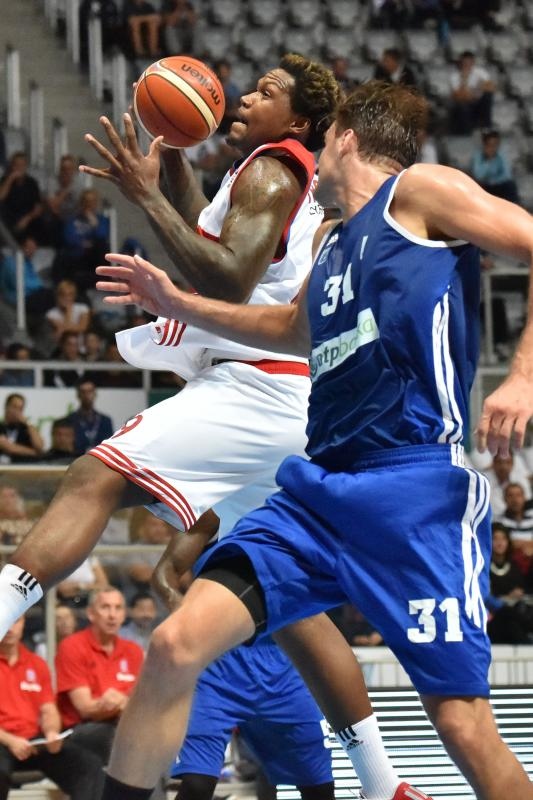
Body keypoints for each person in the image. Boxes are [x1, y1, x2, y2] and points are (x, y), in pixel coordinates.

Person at [90, 79, 533, 799]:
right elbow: (287, 328)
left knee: (460, 723)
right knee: (174, 645)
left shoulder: (418, 192)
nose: (316, 156)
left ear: (346, 140)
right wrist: (177, 302)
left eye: (324, 141)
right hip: (318, 492)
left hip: (411, 487)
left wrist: (521, 377)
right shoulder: (328, 242)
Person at [0, 57, 428, 800]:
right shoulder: (268, 176)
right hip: (291, 401)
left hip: (256, 388)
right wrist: (170, 161)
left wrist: (141, 194)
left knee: (95, 475)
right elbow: (212, 229)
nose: (246, 96)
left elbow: (226, 274)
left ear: (299, 122)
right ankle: (382, 781)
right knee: (288, 606)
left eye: (267, 91)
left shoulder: (273, 168)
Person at [0, 615, 104, 800]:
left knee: (88, 766)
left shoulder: (36, 663)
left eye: (16, 620)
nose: (10, 627)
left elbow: (48, 709)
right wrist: (10, 741)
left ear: (23, 623)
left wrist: (51, 733)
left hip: (33, 743)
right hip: (2, 740)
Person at [55, 586, 144, 765]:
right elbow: (86, 708)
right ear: (91, 614)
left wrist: (121, 704)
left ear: (124, 615)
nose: (112, 615)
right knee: (127, 739)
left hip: (124, 724)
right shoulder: (72, 646)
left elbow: (143, 703)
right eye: (105, 607)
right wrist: (124, 705)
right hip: (82, 728)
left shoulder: (133, 651)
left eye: (118, 608)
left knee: (157, 735)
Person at [0, 152, 48, 244]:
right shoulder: (5, 180)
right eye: (16, 165)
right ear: (12, 167)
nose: (19, 168)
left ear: (26, 167)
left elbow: (38, 207)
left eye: (22, 165)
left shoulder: (32, 183)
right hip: (10, 219)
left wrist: (27, 218)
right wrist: (10, 179)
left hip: (28, 218)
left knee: (43, 223)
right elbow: (1, 198)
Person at [448, 51, 495, 135]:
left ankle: (487, 127)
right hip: (464, 103)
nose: (466, 65)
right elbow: (458, 96)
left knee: (487, 96)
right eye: (464, 63)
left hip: (478, 101)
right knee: (462, 106)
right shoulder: (454, 76)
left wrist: (472, 92)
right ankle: (467, 133)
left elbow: (490, 87)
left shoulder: (480, 72)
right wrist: (464, 80)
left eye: (469, 62)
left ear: (473, 62)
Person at [470, 130, 520, 204]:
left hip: (498, 184)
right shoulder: (478, 156)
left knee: (510, 185)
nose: (493, 148)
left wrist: (493, 181)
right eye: (490, 145)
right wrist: (488, 161)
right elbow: (478, 175)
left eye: (495, 144)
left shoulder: (501, 154)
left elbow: (507, 175)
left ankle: (512, 207)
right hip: (484, 186)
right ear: (485, 145)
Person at [66, 378, 114, 454]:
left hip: (100, 459)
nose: (87, 395)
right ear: (78, 395)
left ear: (95, 394)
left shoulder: (105, 421)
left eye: (90, 391)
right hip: (76, 458)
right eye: (83, 392)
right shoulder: (70, 420)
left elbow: (110, 447)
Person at [45, 279, 92, 348]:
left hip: (82, 347)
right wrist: (68, 311)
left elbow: (83, 327)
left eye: (70, 294)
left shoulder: (83, 308)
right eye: (63, 295)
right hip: (62, 348)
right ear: (58, 296)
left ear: (74, 295)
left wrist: (62, 329)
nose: (66, 298)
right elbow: (66, 333)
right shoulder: (51, 314)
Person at [0, 393, 44, 464]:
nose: (17, 412)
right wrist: (34, 453)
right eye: (14, 407)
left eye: (20, 409)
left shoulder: (27, 429)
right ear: (6, 407)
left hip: (23, 466)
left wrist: (27, 424)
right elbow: (8, 447)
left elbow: (40, 447)